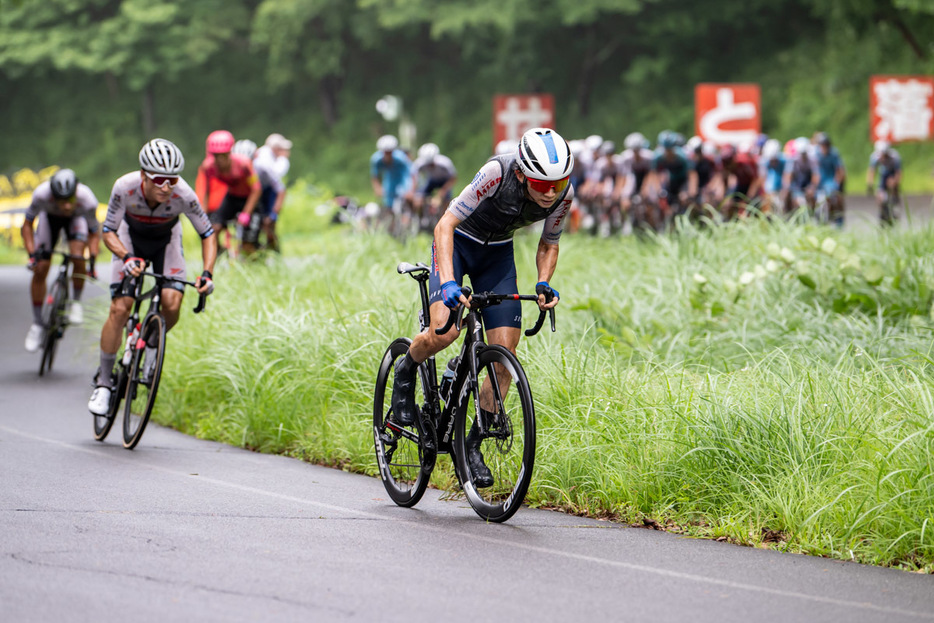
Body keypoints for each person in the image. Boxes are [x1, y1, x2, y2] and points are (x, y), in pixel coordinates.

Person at [391, 127, 571, 487]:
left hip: (498, 255)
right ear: (521, 173)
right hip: (457, 244)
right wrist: (447, 282)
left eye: (559, 182)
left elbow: (549, 244)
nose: (551, 192)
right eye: (542, 184)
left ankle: (471, 444)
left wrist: (543, 282)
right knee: (446, 330)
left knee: (505, 350)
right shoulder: (496, 173)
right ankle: (406, 367)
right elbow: (445, 223)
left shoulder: (563, 193)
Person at [87, 138, 217, 416]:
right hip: (129, 240)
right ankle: (104, 384)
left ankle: (149, 344)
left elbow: (207, 234)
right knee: (120, 307)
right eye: (159, 179)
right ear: (144, 175)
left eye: (172, 179)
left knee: (172, 303)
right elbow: (108, 230)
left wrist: (207, 273)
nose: (166, 186)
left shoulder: (185, 195)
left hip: (166, 240)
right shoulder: (124, 187)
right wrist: (126, 257)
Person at [20, 168, 101, 351]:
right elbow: (27, 225)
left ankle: (76, 302)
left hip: (76, 220)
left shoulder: (87, 199)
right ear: (52, 196)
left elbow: (94, 233)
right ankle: (38, 323)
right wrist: (32, 255)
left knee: (78, 256)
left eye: (69, 200)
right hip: (49, 220)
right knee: (41, 267)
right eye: (60, 201)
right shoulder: (41, 195)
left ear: (76, 193)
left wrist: (93, 260)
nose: (65, 206)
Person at [197, 130, 262, 256]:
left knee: (248, 244)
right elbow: (206, 191)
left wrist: (246, 213)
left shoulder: (243, 164)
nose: (220, 161)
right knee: (213, 229)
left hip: (249, 199)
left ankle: (258, 258)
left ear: (230, 153)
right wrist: (203, 214)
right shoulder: (208, 167)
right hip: (231, 198)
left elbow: (256, 189)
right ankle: (221, 255)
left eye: (224, 156)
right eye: (216, 156)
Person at [252, 133, 292, 251]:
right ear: (276, 149)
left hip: (264, 188)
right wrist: (274, 213)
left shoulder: (264, 153)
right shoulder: (265, 162)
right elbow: (279, 186)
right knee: (267, 224)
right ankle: (271, 251)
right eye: (282, 149)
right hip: (260, 190)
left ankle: (267, 249)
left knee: (265, 224)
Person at [408, 142, 457, 231]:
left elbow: (453, 178)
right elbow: (414, 178)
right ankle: (421, 219)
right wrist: (414, 192)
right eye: (428, 165)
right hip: (431, 181)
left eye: (432, 164)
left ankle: (444, 221)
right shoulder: (419, 164)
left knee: (446, 201)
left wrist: (444, 190)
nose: (430, 167)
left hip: (444, 181)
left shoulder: (445, 163)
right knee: (419, 198)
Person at [370, 135, 412, 228]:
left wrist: (409, 190)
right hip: (390, 179)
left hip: (402, 178)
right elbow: (375, 176)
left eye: (390, 152)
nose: (388, 154)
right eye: (386, 152)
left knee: (406, 198)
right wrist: (377, 188)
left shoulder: (401, 158)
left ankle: (408, 220)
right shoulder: (376, 159)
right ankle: (392, 227)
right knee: (388, 203)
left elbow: (409, 174)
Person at [812, 132, 846, 227]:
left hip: (831, 181)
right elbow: (814, 170)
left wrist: (837, 182)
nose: (824, 148)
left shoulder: (834, 154)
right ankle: (815, 220)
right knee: (812, 198)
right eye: (822, 145)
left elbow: (839, 170)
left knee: (837, 199)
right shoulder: (816, 154)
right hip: (820, 181)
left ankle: (839, 221)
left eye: (825, 145)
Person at [866, 140, 902, 225]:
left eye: (883, 156)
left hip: (892, 175)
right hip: (883, 176)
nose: (882, 158)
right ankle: (882, 211)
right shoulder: (875, 157)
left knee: (892, 186)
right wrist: (870, 184)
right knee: (880, 194)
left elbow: (898, 173)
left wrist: (895, 182)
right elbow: (872, 171)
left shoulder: (895, 157)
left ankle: (895, 207)